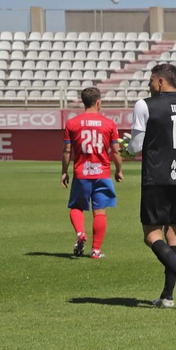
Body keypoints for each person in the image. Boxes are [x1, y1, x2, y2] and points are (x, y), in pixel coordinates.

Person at [129, 63, 176, 309]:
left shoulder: (144, 105)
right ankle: (168, 296)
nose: (148, 85)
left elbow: (136, 147)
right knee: (174, 233)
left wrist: (126, 148)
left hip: (158, 176)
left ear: (160, 82)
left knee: (151, 235)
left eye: (150, 80)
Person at [62, 86, 122, 259]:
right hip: (102, 173)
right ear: (98, 102)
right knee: (100, 211)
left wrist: (64, 172)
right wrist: (119, 171)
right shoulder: (109, 124)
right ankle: (96, 251)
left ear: (83, 102)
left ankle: (81, 233)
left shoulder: (72, 123)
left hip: (81, 173)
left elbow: (67, 151)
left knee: (76, 207)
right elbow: (116, 152)